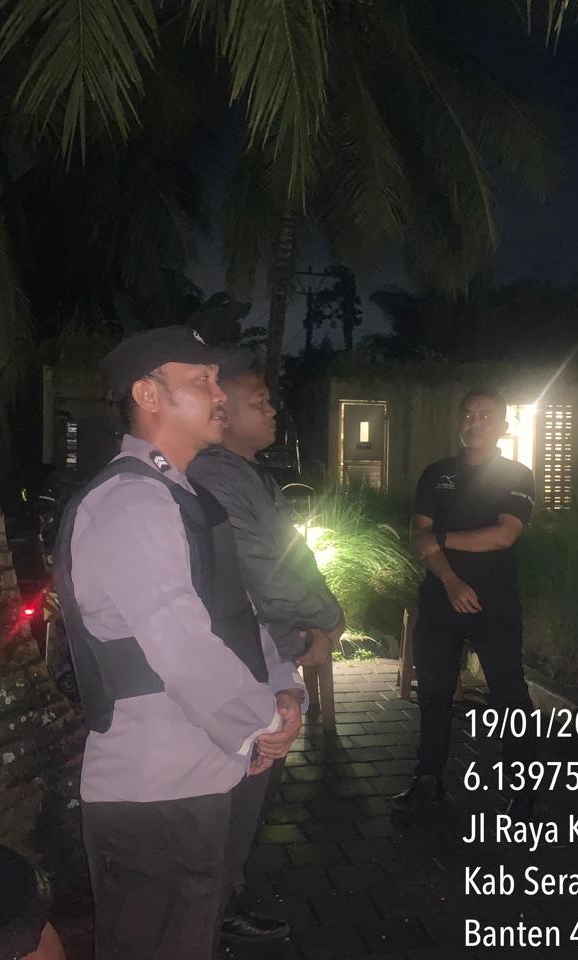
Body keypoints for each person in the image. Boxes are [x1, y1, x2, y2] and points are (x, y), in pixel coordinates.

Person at [54, 327, 306, 960]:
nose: (220, 394)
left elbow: (238, 615)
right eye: (201, 381)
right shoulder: (130, 502)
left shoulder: (186, 496)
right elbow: (180, 640)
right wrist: (263, 722)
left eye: (217, 381)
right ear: (148, 395)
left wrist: (284, 687)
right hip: (155, 790)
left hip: (201, 772)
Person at [187, 349, 344, 944]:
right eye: (260, 401)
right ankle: (210, 919)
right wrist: (327, 621)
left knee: (254, 789)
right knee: (239, 789)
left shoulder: (248, 474)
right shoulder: (216, 477)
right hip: (245, 662)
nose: (273, 409)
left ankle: (223, 903)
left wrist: (322, 622)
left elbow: (293, 559)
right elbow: (263, 572)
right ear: (223, 411)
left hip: (271, 655)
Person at [392, 387, 537, 817]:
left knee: (510, 694)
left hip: (496, 602)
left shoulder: (517, 475)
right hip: (441, 596)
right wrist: (452, 581)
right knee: (433, 693)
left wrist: (441, 537)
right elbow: (419, 538)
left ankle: (523, 789)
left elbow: (504, 535)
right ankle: (428, 780)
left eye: (486, 416)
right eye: (468, 415)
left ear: (503, 426)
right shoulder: (437, 474)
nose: (474, 423)